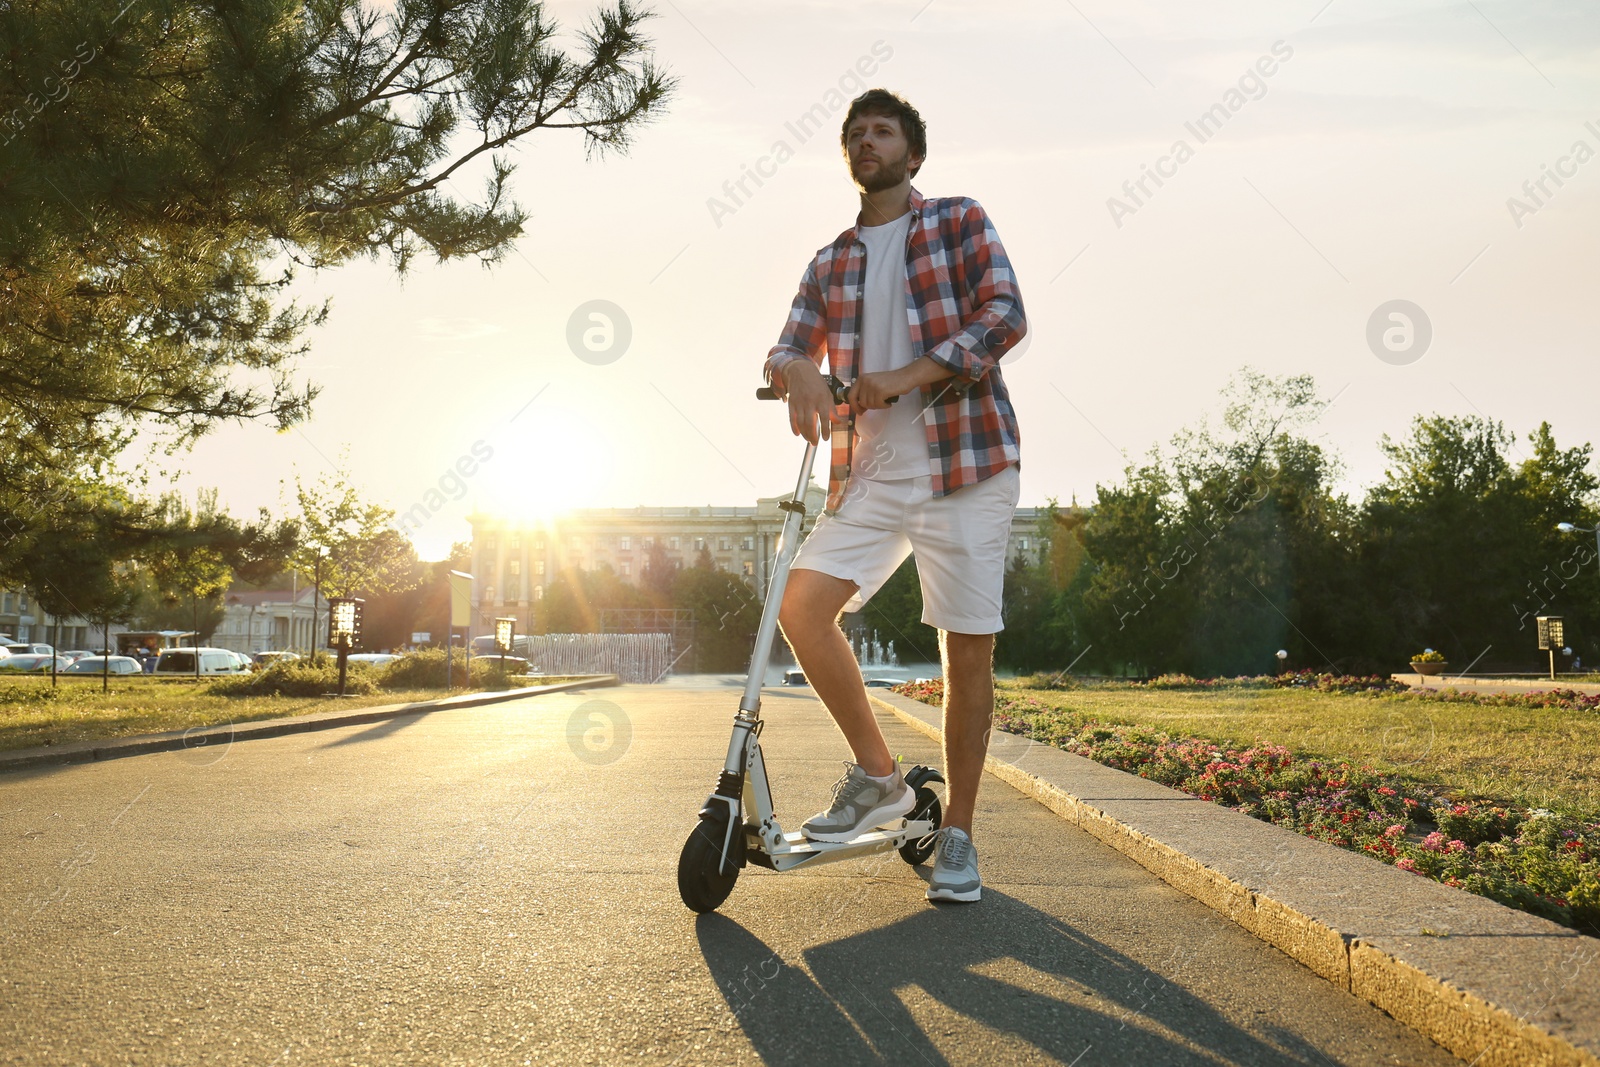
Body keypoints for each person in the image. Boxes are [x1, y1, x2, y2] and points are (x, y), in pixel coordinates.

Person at [763, 88, 1025, 903]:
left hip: (966, 463)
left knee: (964, 647)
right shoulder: (831, 259)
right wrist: (799, 367)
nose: (866, 140)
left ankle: (959, 835)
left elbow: (1006, 313)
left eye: (883, 131)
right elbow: (784, 345)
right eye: (855, 133)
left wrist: (910, 375)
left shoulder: (957, 221)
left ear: (913, 154)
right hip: (870, 473)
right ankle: (881, 778)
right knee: (800, 608)